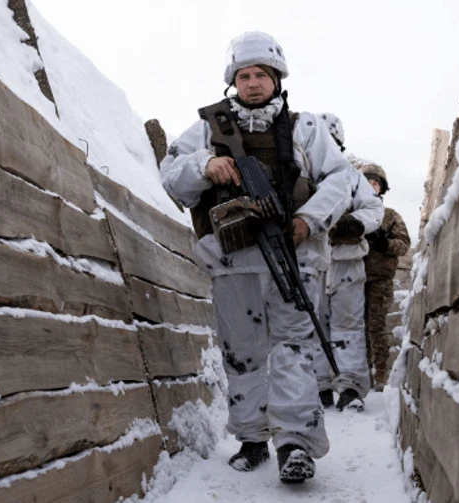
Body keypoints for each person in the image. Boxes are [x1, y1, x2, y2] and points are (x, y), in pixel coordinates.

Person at [160, 31, 354, 483]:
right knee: (242, 354)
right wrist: (205, 166)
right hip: (232, 262)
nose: (252, 83)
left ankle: (294, 444)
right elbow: (171, 176)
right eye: (244, 76)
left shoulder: (306, 128)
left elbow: (341, 179)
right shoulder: (207, 129)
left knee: (293, 350)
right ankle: (251, 439)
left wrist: (308, 220)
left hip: (293, 258)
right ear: (234, 81)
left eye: (260, 75)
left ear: (276, 78)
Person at [314, 113, 383, 411]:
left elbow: (373, 209)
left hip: (347, 260)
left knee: (349, 326)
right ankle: (319, 385)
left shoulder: (351, 177)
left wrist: (353, 223)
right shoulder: (298, 173)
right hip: (311, 261)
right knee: (313, 324)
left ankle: (351, 387)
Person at [360, 164, 411, 391]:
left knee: (376, 327)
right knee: (356, 329)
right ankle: (361, 374)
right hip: (353, 279)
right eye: (367, 182)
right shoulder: (352, 213)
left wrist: (384, 244)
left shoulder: (389, 216)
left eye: (375, 183)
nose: (371, 186)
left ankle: (380, 374)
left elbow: (404, 245)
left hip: (380, 280)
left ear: (381, 188)